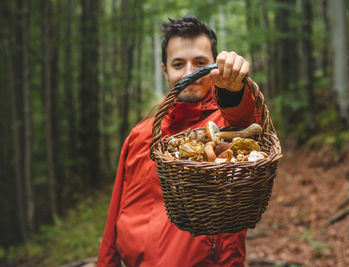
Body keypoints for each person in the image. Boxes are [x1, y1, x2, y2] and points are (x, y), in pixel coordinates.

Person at [97, 15, 261, 267]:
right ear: (165, 70)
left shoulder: (225, 123)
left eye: (200, 63)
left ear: (214, 68)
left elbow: (246, 122)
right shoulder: (141, 134)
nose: (190, 73)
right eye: (178, 64)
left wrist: (233, 91)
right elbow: (114, 216)